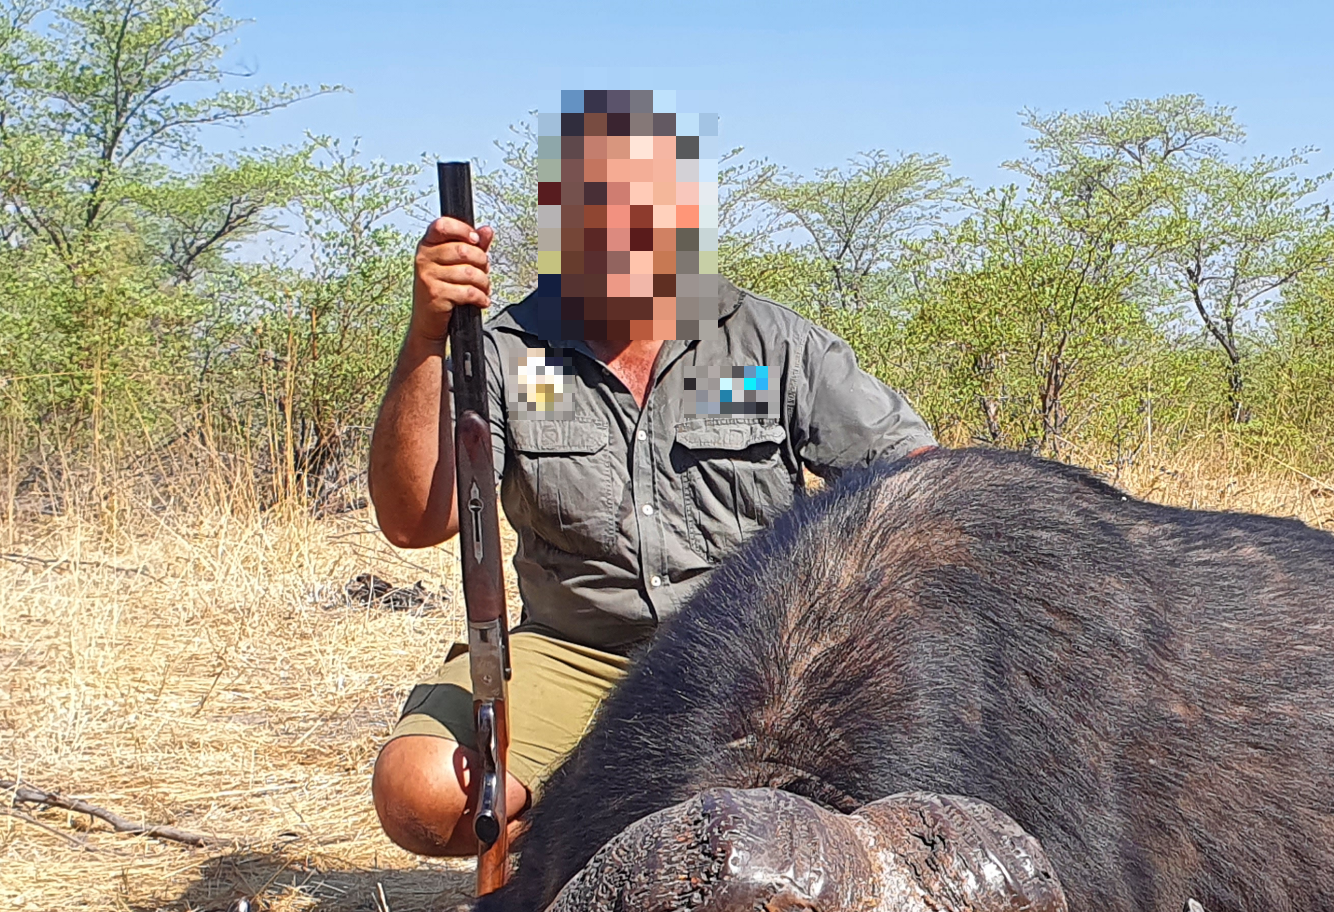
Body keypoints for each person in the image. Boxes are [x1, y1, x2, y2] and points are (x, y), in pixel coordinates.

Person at [367, 89, 934, 858]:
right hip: (577, 647)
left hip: (752, 651)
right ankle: (570, 849)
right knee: (424, 793)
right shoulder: (507, 353)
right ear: (558, 214)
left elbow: (916, 478)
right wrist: (429, 336)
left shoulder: (769, 343)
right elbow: (415, 521)